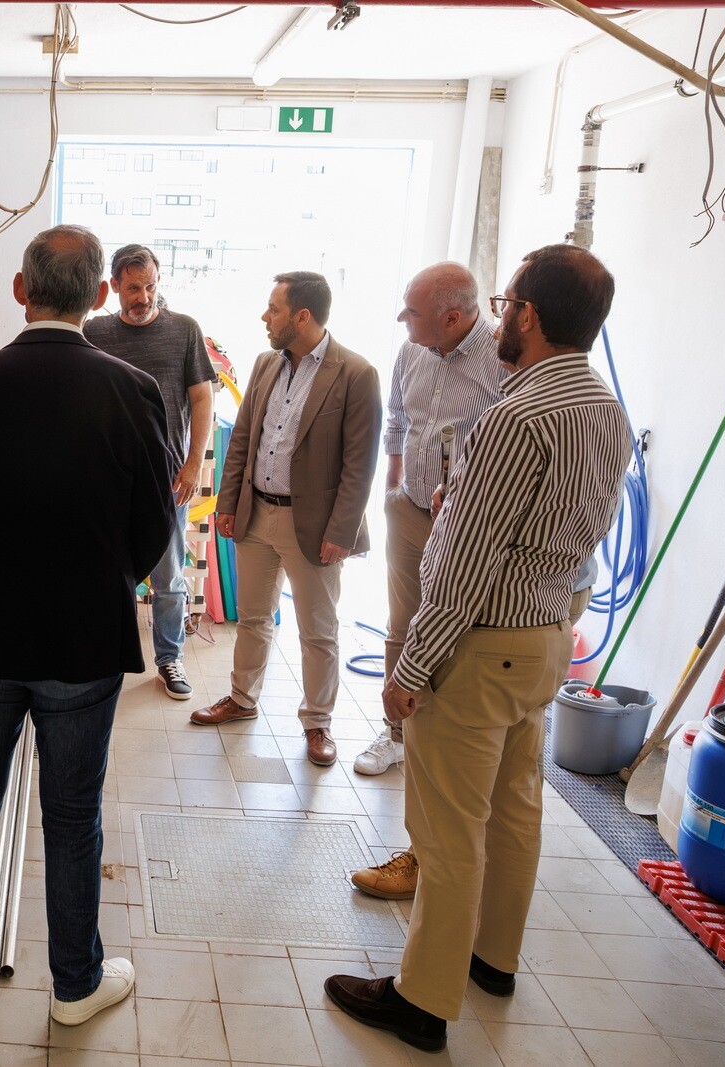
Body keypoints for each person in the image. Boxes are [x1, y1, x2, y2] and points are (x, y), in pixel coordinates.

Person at [326, 244, 632, 1053]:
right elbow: (579, 528)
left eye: (506, 303)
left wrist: (410, 669)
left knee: (448, 832)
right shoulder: (606, 410)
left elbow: (462, 567)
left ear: (526, 315)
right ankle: (494, 959)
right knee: (515, 809)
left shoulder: (513, 415)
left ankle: (422, 999)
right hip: (545, 638)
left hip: (481, 645)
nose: (500, 316)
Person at [0, 224, 175, 1027]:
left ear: (22, 289)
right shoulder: (134, 390)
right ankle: (74, 987)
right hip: (81, 639)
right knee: (72, 815)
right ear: (99, 296)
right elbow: (152, 525)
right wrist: (100, 579)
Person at [346, 263, 505, 901]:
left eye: (412, 313)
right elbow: (398, 425)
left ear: (453, 313)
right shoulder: (413, 351)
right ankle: (397, 733)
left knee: (445, 635)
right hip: (410, 508)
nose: (403, 325)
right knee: (400, 626)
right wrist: (391, 490)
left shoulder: (502, 362)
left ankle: (431, 739)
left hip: (465, 523)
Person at [188, 272, 381, 767]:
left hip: (313, 528)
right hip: (256, 515)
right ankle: (241, 699)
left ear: (302, 316)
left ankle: (318, 723)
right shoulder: (265, 363)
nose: (264, 317)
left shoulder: (355, 373)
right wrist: (228, 503)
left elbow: (360, 465)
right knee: (252, 619)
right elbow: (246, 440)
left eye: (273, 309)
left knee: (318, 632)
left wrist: (341, 532)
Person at [83, 244, 216, 701]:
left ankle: (168, 658)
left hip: (165, 478)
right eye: (134, 288)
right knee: (104, 571)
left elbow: (202, 398)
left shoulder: (184, 330)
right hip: (106, 477)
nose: (143, 297)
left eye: (151, 287)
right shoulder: (95, 331)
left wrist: (193, 462)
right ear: (114, 286)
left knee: (169, 577)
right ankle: (104, 656)